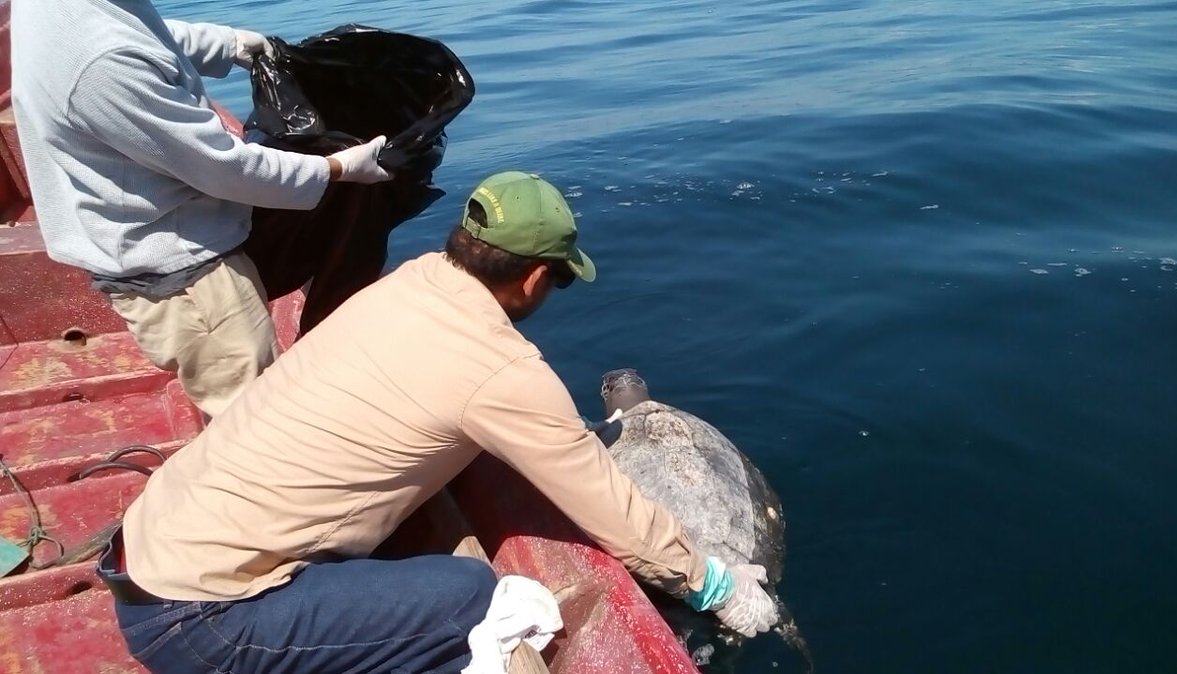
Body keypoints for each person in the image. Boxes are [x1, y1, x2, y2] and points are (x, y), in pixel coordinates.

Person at [97, 171, 781, 673]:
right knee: (470, 593)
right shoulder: (502, 370)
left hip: (146, 551)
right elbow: (613, 507)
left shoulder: (410, 283)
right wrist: (714, 585)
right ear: (538, 279)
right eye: (561, 281)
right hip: (200, 620)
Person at [10, 0, 394, 417]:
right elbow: (223, 168)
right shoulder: (102, 64)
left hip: (147, 237)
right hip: (183, 277)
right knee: (253, 419)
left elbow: (136, 35)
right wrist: (336, 168)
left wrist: (228, 44)